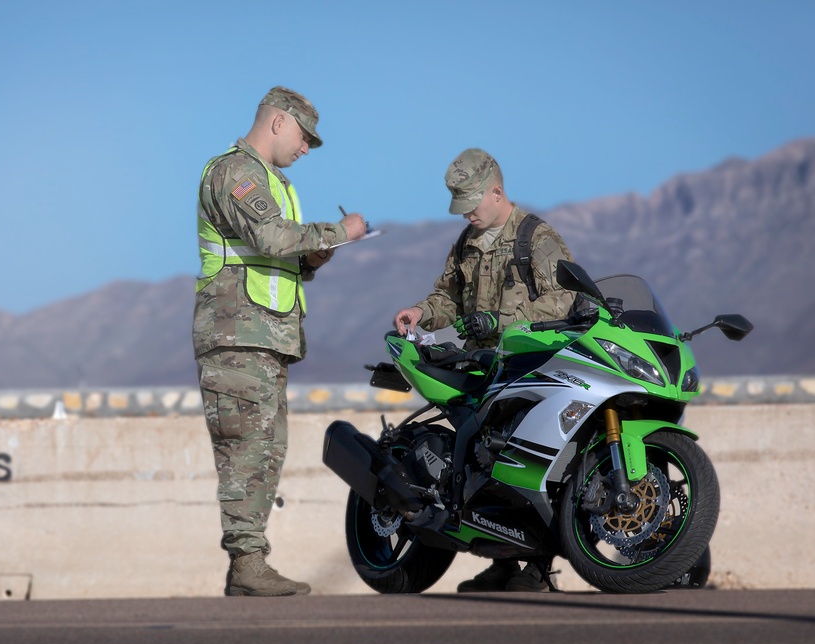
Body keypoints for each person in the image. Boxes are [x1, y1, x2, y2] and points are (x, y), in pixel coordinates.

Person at [193, 86, 367, 597]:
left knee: (266, 448)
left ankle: (250, 564)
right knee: (246, 449)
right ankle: (247, 564)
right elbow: (270, 238)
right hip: (236, 332)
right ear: (277, 122)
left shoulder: (269, 180)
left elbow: (275, 254)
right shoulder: (235, 173)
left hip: (261, 335)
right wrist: (339, 232)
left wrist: (314, 256)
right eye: (304, 137)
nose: (306, 148)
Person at [393, 148, 576, 593]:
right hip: (481, 370)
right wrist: (421, 312)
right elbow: (448, 298)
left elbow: (564, 300)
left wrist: (502, 322)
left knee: (531, 464)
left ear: (496, 192)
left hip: (529, 366)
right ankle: (500, 562)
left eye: (472, 204)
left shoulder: (536, 236)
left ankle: (537, 567)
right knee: (481, 466)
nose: (466, 215)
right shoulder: (465, 244)